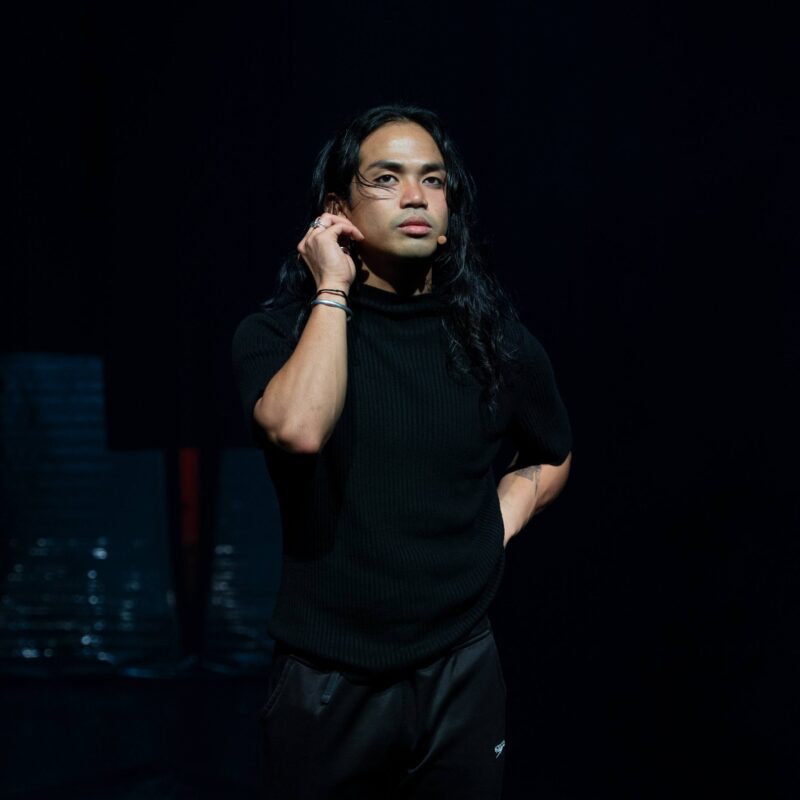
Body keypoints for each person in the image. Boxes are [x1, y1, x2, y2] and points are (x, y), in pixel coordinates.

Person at [231, 104, 572, 799]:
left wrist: (498, 522)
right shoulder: (275, 335)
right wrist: (333, 287)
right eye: (386, 178)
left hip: (460, 672)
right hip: (326, 679)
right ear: (338, 209)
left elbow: (551, 453)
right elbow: (300, 428)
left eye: (434, 180)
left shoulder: (494, 342)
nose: (417, 197)